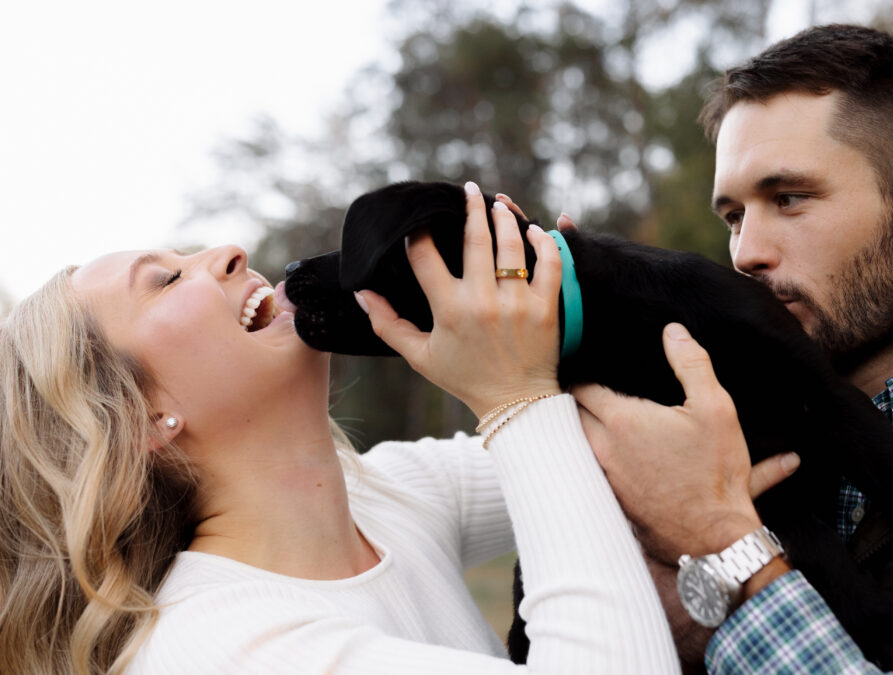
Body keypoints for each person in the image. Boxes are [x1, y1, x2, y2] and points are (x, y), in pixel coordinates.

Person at [0, 183, 681, 674]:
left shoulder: (391, 496)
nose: (231, 251)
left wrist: (567, 298)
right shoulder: (212, 646)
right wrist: (515, 394)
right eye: (167, 278)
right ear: (139, 417)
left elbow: (648, 441)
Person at [571, 24, 893, 674]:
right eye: (733, 216)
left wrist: (726, 544)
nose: (746, 252)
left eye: (789, 198)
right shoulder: (698, 443)